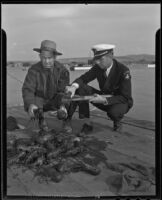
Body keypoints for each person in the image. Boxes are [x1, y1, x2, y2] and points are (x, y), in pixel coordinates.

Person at [66, 44, 133, 132]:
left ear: (111, 56)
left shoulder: (123, 71)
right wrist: (73, 87)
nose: (97, 62)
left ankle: (117, 121)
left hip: (119, 101)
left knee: (114, 113)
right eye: (96, 59)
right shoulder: (98, 68)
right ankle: (87, 123)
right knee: (81, 88)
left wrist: (105, 100)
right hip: (102, 97)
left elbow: (125, 97)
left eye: (101, 59)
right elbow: (84, 78)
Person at [22, 40, 72, 133]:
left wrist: (62, 105)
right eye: (44, 58)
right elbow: (27, 89)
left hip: (55, 99)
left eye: (49, 58)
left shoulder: (62, 70)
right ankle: (41, 120)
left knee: (68, 98)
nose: (46, 61)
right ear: (40, 56)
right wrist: (30, 104)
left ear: (55, 57)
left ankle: (66, 121)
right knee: (32, 101)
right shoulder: (33, 70)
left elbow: (63, 91)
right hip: (40, 100)